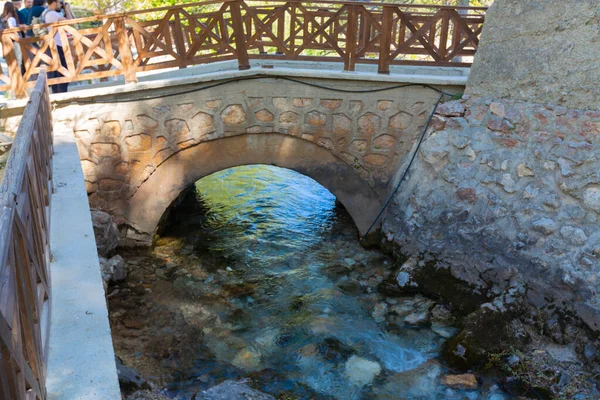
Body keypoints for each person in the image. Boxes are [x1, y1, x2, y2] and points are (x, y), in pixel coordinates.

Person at [44, 0, 73, 93]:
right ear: (54, 2)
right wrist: (67, 10)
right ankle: (61, 94)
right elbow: (71, 22)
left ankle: (58, 93)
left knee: (57, 73)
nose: (61, 5)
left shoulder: (45, 13)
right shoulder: (52, 14)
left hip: (53, 44)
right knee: (63, 71)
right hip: (57, 44)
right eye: (60, 3)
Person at [1, 2, 24, 74]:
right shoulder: (12, 17)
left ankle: (12, 78)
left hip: (6, 42)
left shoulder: (2, 17)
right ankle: (18, 77)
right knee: (18, 59)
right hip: (14, 40)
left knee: (11, 61)